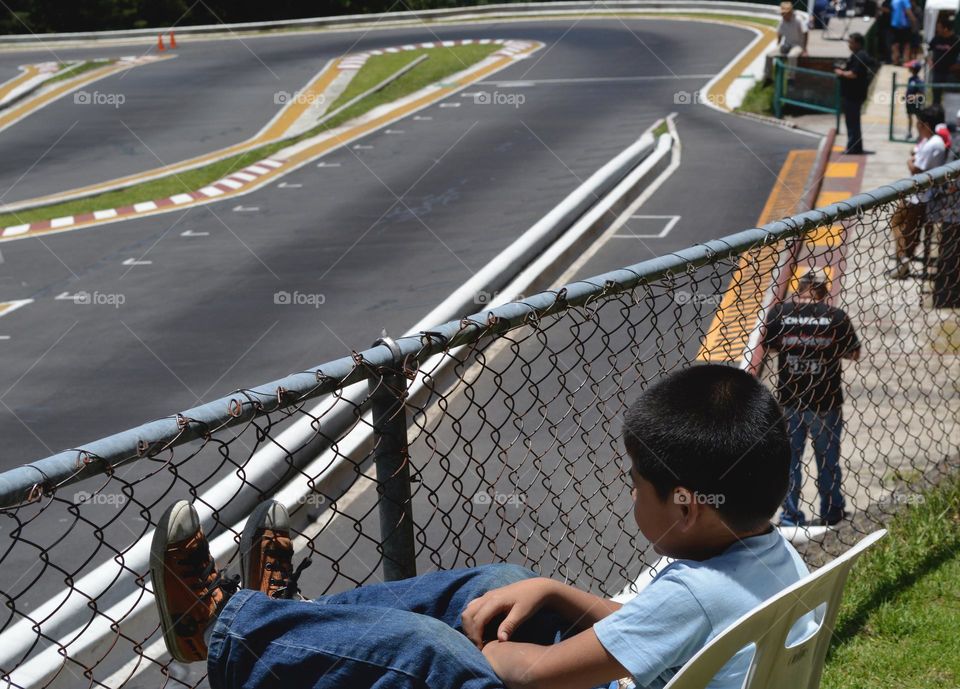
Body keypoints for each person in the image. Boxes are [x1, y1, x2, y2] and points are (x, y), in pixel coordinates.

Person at [150, 364, 815, 689]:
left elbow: (532, 675)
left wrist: (485, 655)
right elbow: (671, 632)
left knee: (427, 649)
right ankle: (279, 624)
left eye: (634, 483)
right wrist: (556, 591)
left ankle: (225, 628)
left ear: (684, 504)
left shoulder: (696, 592)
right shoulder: (763, 556)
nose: (629, 494)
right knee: (501, 585)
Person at [763, 269, 861, 527]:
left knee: (790, 461)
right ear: (823, 292)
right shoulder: (836, 317)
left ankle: (790, 516)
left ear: (799, 289)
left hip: (790, 401)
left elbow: (770, 346)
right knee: (827, 459)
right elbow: (854, 353)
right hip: (825, 401)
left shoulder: (781, 313)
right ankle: (831, 510)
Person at [890, 105, 947, 279]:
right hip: (917, 194)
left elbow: (916, 167)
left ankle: (903, 260)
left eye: (919, 123)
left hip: (919, 196)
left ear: (925, 124)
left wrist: (909, 161)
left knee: (904, 227)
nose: (916, 126)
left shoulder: (933, 144)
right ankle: (904, 257)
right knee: (905, 227)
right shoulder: (930, 141)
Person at [835, 33, 873, 155]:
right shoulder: (857, 55)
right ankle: (855, 147)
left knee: (852, 123)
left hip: (854, 95)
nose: (849, 44)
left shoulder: (860, 56)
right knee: (852, 122)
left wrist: (841, 73)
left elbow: (854, 74)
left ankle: (853, 148)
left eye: (851, 42)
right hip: (851, 94)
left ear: (858, 43)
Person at [764, 1, 809, 82]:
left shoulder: (798, 19)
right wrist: (778, 45)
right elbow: (779, 33)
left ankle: (791, 77)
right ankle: (768, 77)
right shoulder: (782, 21)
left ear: (790, 12)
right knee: (769, 55)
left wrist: (805, 49)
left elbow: (805, 33)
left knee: (791, 56)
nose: (782, 15)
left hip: (798, 45)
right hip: (787, 44)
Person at [928, 13, 960, 105]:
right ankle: (936, 114)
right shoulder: (936, 39)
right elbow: (928, 50)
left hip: (951, 74)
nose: (937, 29)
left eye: (939, 27)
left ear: (945, 29)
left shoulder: (956, 40)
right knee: (936, 98)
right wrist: (929, 60)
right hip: (937, 73)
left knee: (950, 97)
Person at [888, 0, 916, 65]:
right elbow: (908, 11)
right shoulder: (905, 1)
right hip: (904, 25)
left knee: (895, 44)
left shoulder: (893, 1)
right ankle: (906, 61)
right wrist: (914, 20)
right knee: (907, 45)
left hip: (894, 24)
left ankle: (895, 61)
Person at [905, 60, 925, 139]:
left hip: (916, 103)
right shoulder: (910, 79)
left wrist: (914, 97)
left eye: (910, 67)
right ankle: (909, 132)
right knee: (909, 117)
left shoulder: (919, 81)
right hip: (909, 103)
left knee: (918, 118)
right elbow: (908, 90)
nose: (909, 68)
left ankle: (920, 134)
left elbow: (921, 93)